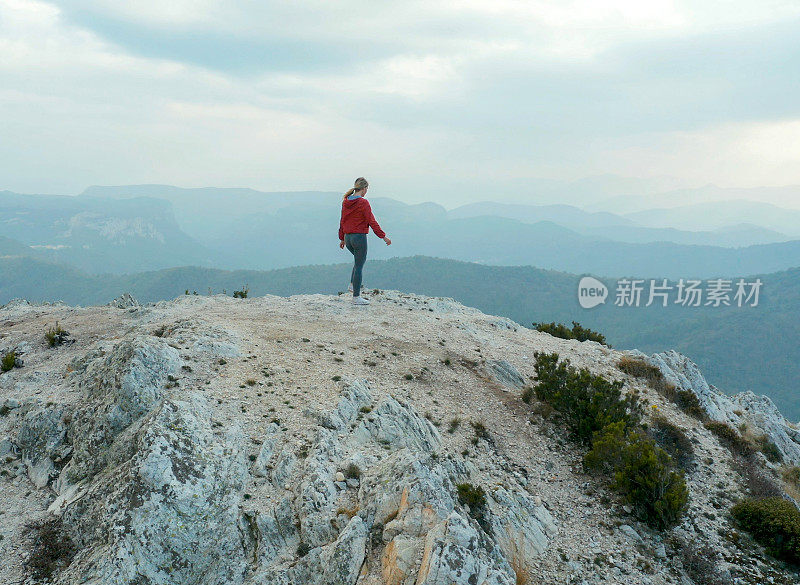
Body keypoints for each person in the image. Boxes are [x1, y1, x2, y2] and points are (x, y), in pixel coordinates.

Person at [338, 177, 391, 305]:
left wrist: (342, 238)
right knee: (360, 265)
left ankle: (352, 285)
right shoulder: (363, 203)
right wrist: (383, 237)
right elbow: (371, 221)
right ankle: (356, 297)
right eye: (367, 189)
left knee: (357, 261)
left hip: (348, 238)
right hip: (359, 238)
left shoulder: (346, 202)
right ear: (364, 188)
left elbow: (342, 220)